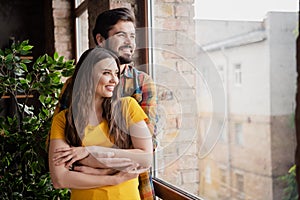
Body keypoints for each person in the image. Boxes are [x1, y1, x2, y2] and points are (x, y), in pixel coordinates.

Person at [54, 7, 157, 199]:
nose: (130, 42)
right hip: (87, 190)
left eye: (133, 36)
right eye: (121, 35)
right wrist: (115, 167)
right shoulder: (73, 85)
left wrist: (95, 167)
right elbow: (65, 156)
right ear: (101, 40)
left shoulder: (141, 83)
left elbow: (147, 150)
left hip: (135, 188)